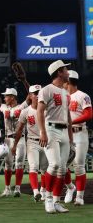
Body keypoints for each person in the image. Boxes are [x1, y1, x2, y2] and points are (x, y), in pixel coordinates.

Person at [37, 60, 74, 214]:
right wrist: (43, 132)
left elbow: (68, 116)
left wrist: (71, 136)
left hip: (64, 130)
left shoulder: (66, 93)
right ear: (59, 72)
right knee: (54, 164)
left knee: (63, 168)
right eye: (65, 69)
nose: (68, 72)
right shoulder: (47, 90)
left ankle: (57, 201)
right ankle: (48, 199)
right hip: (50, 128)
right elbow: (39, 111)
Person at [12, 84, 48, 203]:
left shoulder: (46, 109)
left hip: (46, 142)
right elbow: (19, 130)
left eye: (39, 93)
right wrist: (15, 145)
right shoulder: (25, 111)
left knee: (44, 169)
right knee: (33, 167)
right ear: (30, 96)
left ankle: (43, 190)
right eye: (35, 93)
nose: (38, 96)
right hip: (32, 142)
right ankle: (36, 192)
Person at [63, 70, 92, 206]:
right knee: (61, 166)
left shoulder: (82, 95)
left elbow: (89, 114)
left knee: (79, 166)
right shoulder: (62, 96)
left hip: (79, 133)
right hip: (64, 133)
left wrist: (71, 122)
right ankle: (70, 188)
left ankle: (79, 197)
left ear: (68, 82)